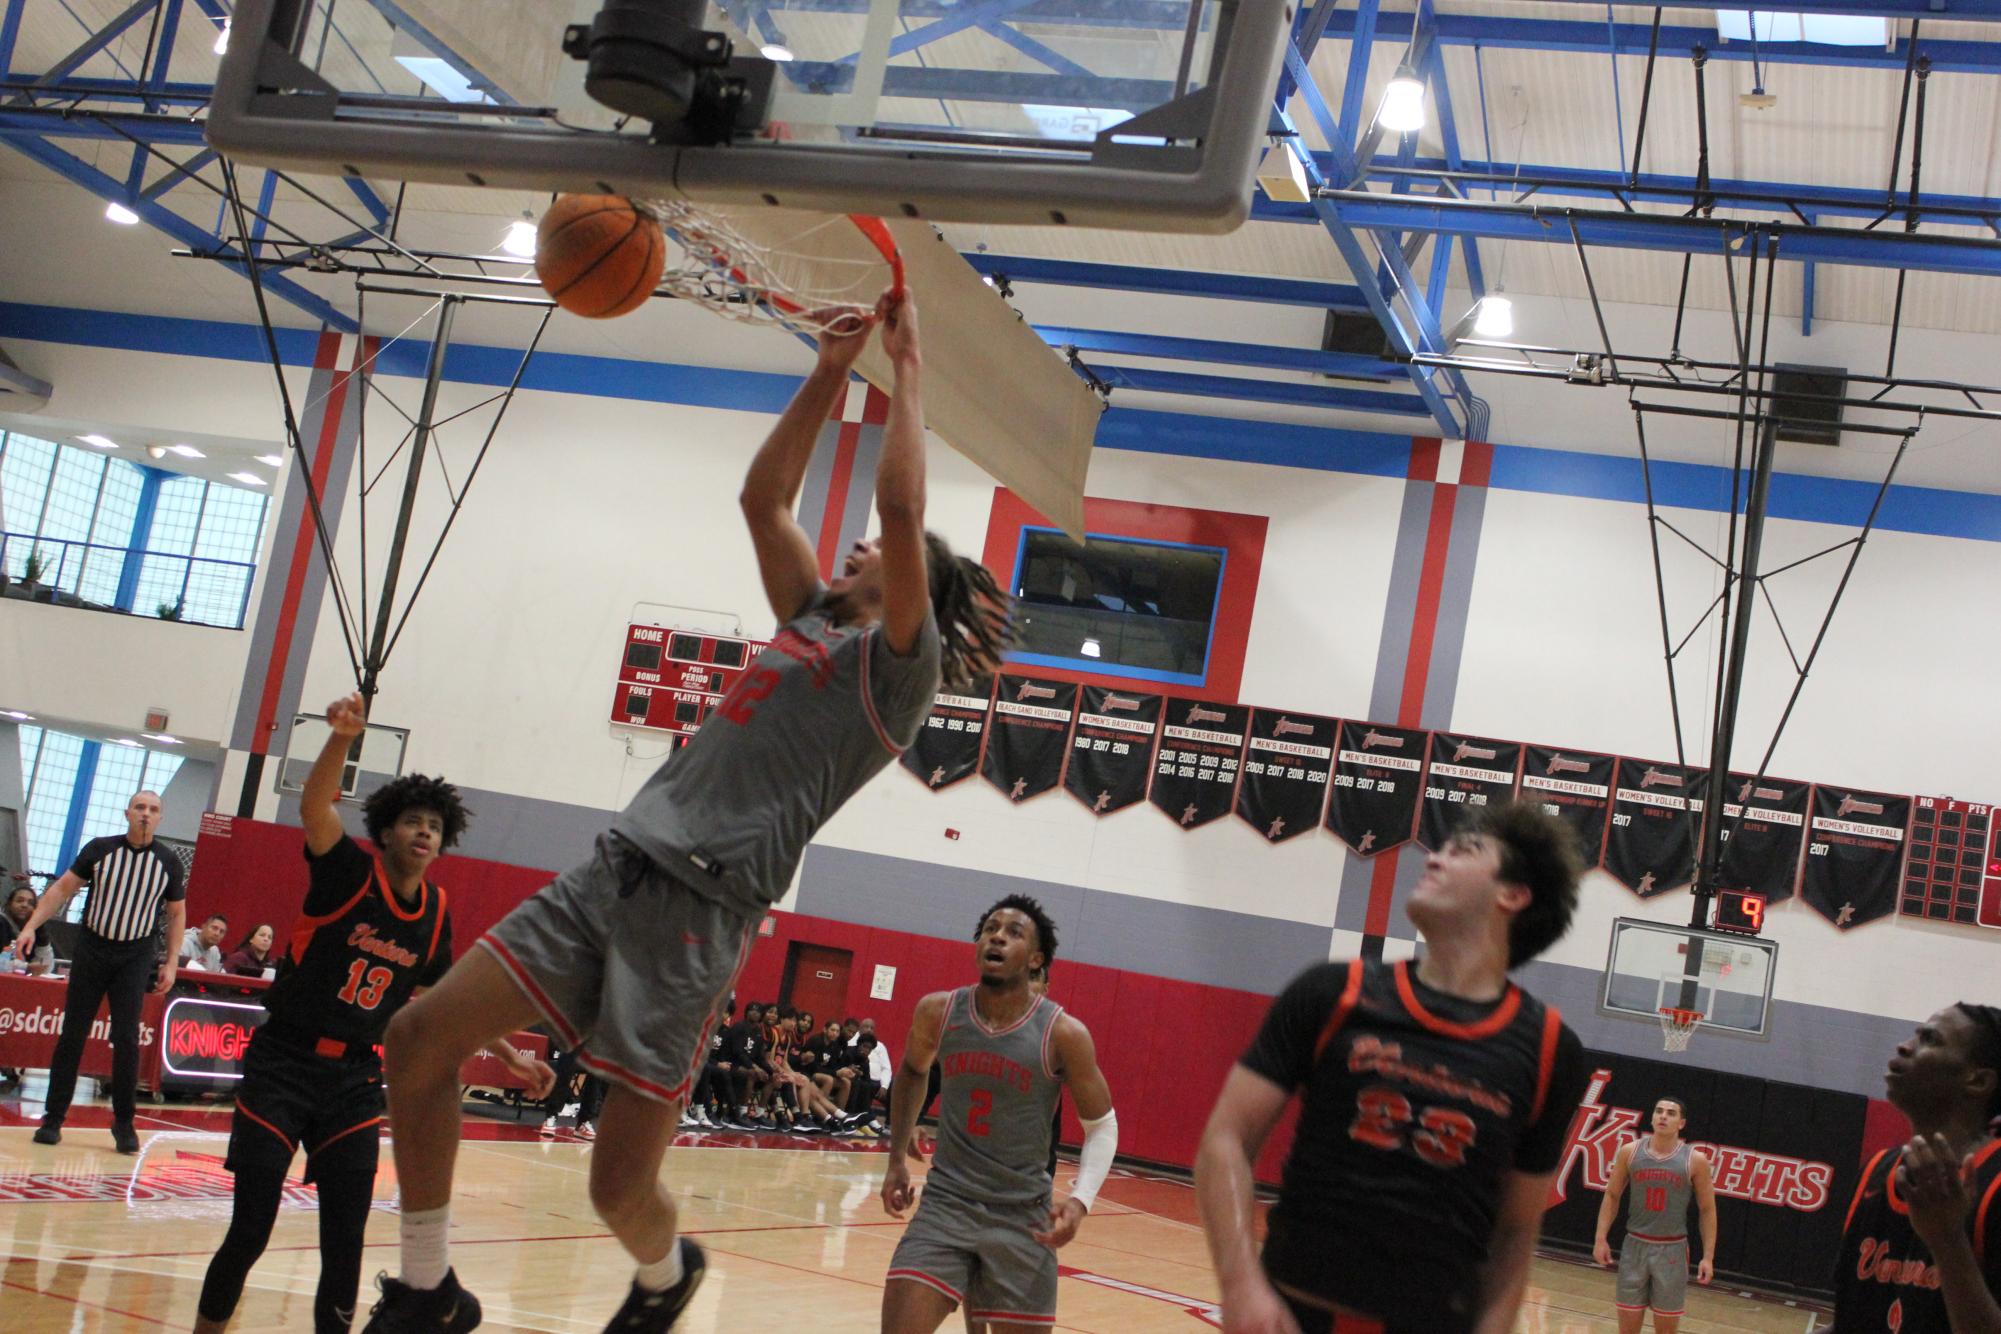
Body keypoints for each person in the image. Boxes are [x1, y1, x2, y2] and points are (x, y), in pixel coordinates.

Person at [362, 288, 1011, 1334]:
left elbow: (899, 511)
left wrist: (909, 367)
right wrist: (831, 369)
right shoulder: (808, 621)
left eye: (881, 551)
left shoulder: (900, 670)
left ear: (912, 589)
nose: (855, 543)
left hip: (700, 917)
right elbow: (765, 499)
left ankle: (667, 1274)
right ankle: (430, 1286)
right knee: (417, 1036)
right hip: (614, 869)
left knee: (616, 1188)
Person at [194, 693, 551, 1334]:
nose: (424, 832)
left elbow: (453, 1004)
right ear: (386, 830)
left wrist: (512, 1054)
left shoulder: (435, 913)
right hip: (283, 1063)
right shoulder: (346, 874)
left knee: (346, 1245)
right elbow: (313, 806)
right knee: (250, 1229)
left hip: (354, 1081)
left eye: (435, 827)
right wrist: (340, 738)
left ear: (444, 843)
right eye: (413, 821)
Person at [1195, 800, 1589, 1334]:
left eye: (1463, 850)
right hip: (1293, 1314)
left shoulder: (1549, 1050)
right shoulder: (1333, 993)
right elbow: (1227, 1139)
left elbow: (1517, 1229)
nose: (1434, 859)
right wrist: (1240, 1286)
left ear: (1513, 894)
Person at [880, 895, 1116, 1333]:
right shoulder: (939, 1011)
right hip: (945, 1208)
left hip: (1022, 1218)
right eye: (990, 928)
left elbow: (1101, 1126)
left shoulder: (1063, 1033)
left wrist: (1080, 1201)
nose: (998, 937)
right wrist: (896, 1156)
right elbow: (913, 1070)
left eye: (1013, 932)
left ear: (1035, 960)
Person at [12, 789, 185, 1153]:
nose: (145, 814)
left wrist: (170, 960)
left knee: (125, 1039)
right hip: (93, 948)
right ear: (127, 813)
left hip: (135, 955)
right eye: (140, 807)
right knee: (72, 1032)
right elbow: (61, 889)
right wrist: (30, 926)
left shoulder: (168, 862)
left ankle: (124, 1122)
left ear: (160, 818)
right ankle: (53, 1117)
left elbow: (176, 914)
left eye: (153, 809)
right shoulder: (100, 849)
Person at [1833, 1002, 2001, 1333]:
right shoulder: (1877, 1172)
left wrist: (1947, 1238)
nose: (1905, 1046)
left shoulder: (1994, 1184)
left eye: (1930, 1039)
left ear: (1978, 1081)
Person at [1593, 1096, 1716, 1333]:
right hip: (1635, 1246)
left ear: (1681, 1123)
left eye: (1671, 1113)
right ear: (1651, 1118)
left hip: (1672, 1250)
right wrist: (1600, 1238)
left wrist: (1708, 1257)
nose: (1663, 1116)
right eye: (1659, 1111)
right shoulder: (1629, 1152)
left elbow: (1707, 1209)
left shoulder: (1695, 1160)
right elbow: (1611, 1196)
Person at [2, 882, 54, 974]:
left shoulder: (36, 929)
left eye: (30, 903)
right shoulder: (2, 922)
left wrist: (41, 929)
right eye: (19, 900)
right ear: (9, 904)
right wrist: (25, 967)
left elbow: (46, 967)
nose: (25, 905)